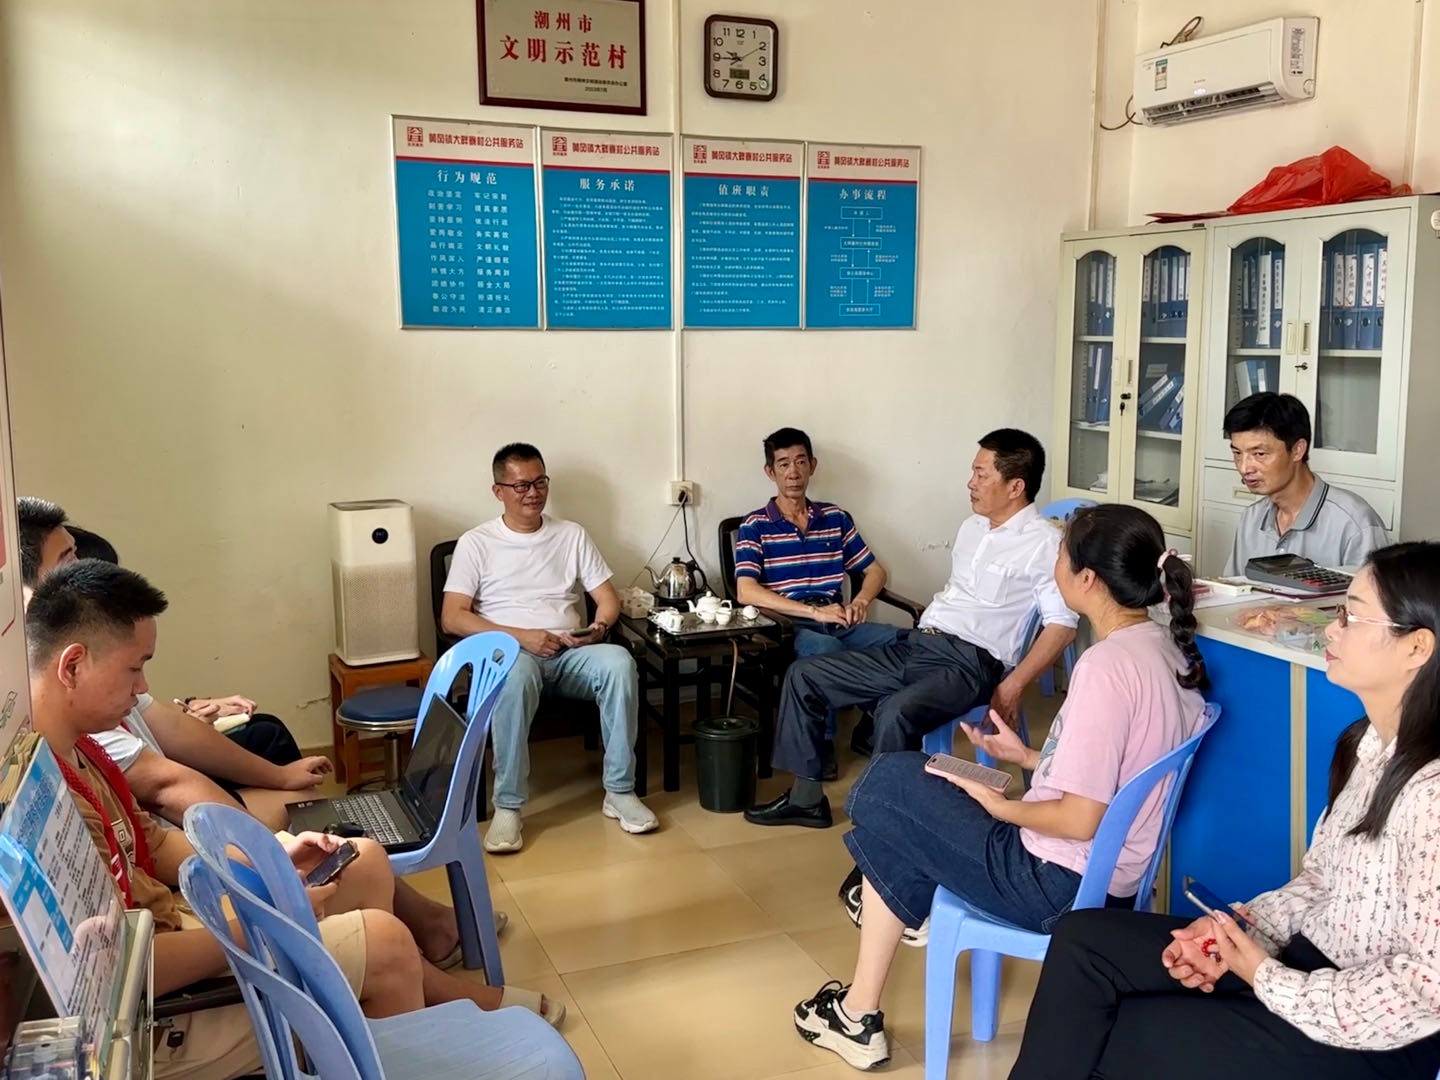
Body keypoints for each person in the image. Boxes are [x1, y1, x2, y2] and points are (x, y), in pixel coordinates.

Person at [26, 561, 562, 1079]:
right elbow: (125, 972)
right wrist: (268, 919)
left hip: (176, 930)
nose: (143, 687)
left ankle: (393, 1020)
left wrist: (271, 860)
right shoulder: (46, 803)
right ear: (72, 666)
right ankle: (403, 1009)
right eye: (134, 668)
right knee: (384, 945)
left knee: (361, 861)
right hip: (157, 1019)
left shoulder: (82, 751)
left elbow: (158, 848)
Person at [790, 504, 1207, 1069]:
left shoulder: (1105, 667)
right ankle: (857, 1013)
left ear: (1086, 579)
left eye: (1060, 556)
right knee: (911, 809)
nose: (1055, 566)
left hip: (1054, 885)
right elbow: (1119, 770)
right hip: (1107, 878)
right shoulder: (1163, 647)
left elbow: (1080, 818)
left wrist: (1000, 806)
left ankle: (878, 959)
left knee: (887, 781)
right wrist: (1029, 757)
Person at [1008, 541, 1440, 1080]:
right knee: (1084, 941)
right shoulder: (1366, 746)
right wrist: (1236, 932)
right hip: (1306, 968)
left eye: (1351, 617)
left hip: (1373, 1036)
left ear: (1417, 646)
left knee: (1119, 1030)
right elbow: (1320, 882)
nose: (1331, 630)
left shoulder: (1431, 793)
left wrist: (1266, 977)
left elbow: (1426, 990)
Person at [746, 429, 1078, 829]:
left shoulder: (1045, 544)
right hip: (921, 644)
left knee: (895, 711)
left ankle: (882, 827)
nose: (970, 483)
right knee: (805, 675)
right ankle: (806, 800)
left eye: (980, 474)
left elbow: (1063, 626)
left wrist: (1013, 685)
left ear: (1015, 486)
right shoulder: (972, 527)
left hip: (969, 664)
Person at [17, 497, 322, 827]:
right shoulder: (73, 724)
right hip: (178, 823)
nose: (81, 569)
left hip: (168, 829)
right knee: (306, 800)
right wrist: (268, 849)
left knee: (269, 737)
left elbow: (170, 732)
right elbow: (163, 787)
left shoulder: (87, 734)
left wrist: (279, 780)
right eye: (68, 561)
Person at [441, 442, 657, 853]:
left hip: (571, 650)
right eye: (521, 485)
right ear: (498, 491)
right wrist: (521, 637)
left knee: (618, 663)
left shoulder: (571, 535)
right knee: (513, 676)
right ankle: (508, 806)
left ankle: (620, 791)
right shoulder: (477, 542)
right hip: (515, 654)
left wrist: (598, 628)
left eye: (540, 482)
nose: (533, 493)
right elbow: (452, 617)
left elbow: (607, 599)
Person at [734, 427, 897, 780]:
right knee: (825, 649)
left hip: (838, 617)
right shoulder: (755, 525)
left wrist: (860, 601)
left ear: (813, 466)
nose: (793, 472)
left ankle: (870, 725)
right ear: (770, 472)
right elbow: (745, 591)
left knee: (899, 642)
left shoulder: (835, 517)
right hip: (790, 624)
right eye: (783, 464)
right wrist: (812, 611)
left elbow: (875, 571)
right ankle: (821, 742)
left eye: (800, 462)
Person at [1223, 392, 1389, 576]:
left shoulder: (1355, 524)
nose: (1244, 468)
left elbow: (1372, 595)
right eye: (1237, 453)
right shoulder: (1251, 518)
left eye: (1259, 454)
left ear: (1297, 450)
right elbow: (1231, 589)